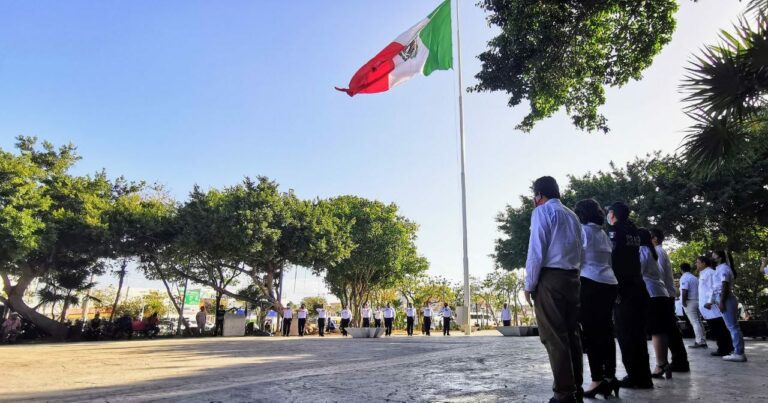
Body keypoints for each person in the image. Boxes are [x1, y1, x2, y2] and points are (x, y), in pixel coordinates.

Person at [523, 176, 583, 403]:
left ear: (538, 195)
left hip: (550, 278)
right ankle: (576, 390)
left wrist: (529, 284)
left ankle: (564, 393)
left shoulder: (541, 212)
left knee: (554, 337)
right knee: (572, 335)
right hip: (573, 277)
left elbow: (536, 250)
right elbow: (581, 249)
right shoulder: (572, 215)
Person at [574, 199, 619, 399]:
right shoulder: (603, 234)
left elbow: (577, 260)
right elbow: (610, 260)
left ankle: (597, 379)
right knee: (607, 331)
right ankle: (610, 377)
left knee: (591, 334)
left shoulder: (582, 231)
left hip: (590, 282)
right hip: (610, 283)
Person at [606, 202, 653, 390]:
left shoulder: (615, 232)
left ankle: (635, 377)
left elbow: (613, 259)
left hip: (623, 288)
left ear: (613, 214)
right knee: (639, 335)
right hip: (638, 286)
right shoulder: (633, 231)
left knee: (626, 334)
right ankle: (644, 376)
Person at [651, 228, 689, 373]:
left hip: (664, 295)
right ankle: (680, 361)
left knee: (667, 330)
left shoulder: (658, 252)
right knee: (670, 329)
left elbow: (657, 273)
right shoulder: (659, 251)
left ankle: (679, 361)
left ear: (654, 238)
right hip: (667, 294)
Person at [638, 228, 674, 380]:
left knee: (656, 331)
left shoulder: (642, 251)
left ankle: (660, 364)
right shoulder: (652, 251)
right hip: (661, 293)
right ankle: (663, 362)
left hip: (652, 294)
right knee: (661, 331)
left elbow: (637, 272)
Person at [709, 250, 747, 362]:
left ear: (720, 257)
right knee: (732, 326)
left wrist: (721, 302)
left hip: (726, 299)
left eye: (714, 255)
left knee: (733, 327)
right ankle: (737, 351)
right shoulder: (720, 268)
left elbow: (724, 285)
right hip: (724, 298)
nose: (711, 257)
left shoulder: (724, 269)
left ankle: (739, 353)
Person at [696, 256, 733, 356]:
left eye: (698, 262)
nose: (696, 264)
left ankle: (724, 349)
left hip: (712, 307)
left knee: (719, 328)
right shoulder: (703, 273)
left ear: (703, 263)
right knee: (716, 328)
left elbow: (714, 288)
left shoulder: (710, 273)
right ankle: (724, 347)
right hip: (706, 308)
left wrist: (709, 301)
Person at [679, 263, 707, 348]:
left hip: (689, 302)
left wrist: (683, 301)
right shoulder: (694, 278)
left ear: (681, 269)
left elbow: (684, 290)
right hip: (697, 300)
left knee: (694, 322)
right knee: (698, 321)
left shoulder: (684, 277)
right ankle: (702, 340)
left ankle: (699, 341)